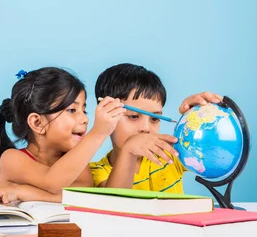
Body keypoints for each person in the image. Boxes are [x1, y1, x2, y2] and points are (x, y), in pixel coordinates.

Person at [0, 67, 125, 205]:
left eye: (84, 110)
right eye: (72, 110)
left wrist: (23, 192)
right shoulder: (12, 159)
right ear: (37, 123)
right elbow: (52, 182)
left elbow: (84, 196)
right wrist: (98, 133)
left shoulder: (76, 161)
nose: (85, 119)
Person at [90, 63, 222, 193]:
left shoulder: (170, 153)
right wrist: (129, 150)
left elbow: (215, 153)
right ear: (107, 114)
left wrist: (200, 114)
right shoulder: (96, 172)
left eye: (154, 119)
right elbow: (114, 203)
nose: (146, 128)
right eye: (134, 117)